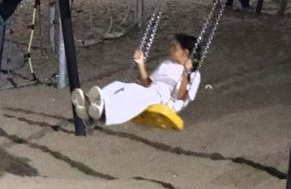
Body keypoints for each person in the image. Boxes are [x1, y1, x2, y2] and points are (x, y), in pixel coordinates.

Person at [71, 34, 201, 127]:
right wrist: (141, 63)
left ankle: (104, 113)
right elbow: (147, 84)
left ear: (185, 52)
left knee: (131, 93)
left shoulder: (194, 75)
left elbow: (180, 96)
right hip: (152, 91)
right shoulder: (166, 64)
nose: (170, 49)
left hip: (166, 99)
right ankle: (92, 106)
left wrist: (185, 72)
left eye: (175, 47)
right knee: (119, 85)